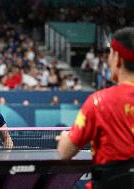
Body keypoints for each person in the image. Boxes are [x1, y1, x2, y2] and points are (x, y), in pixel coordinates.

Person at [56, 27, 134, 165]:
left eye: (110, 54)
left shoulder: (99, 102)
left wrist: (64, 137)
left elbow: (65, 151)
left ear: (118, 59)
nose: (107, 60)